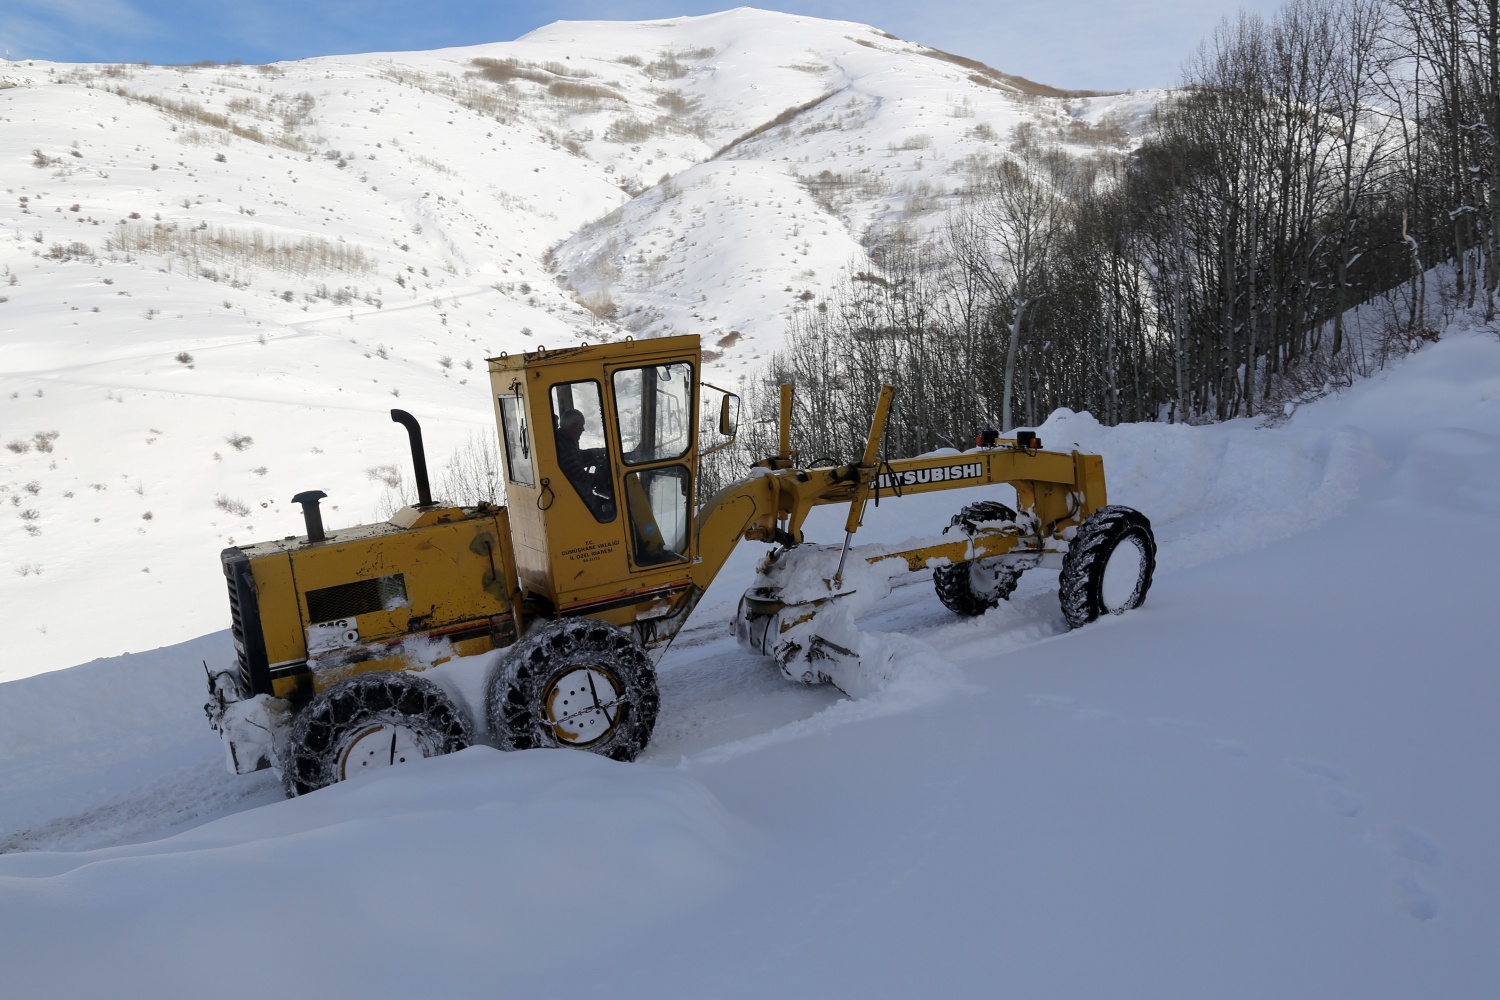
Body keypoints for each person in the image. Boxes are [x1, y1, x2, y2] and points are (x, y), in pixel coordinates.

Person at [555, 408, 615, 520]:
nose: (583, 429)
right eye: (582, 426)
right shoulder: (565, 446)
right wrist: (602, 478)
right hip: (579, 502)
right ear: (575, 427)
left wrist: (596, 452)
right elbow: (579, 476)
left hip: (574, 498)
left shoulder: (562, 440)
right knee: (615, 511)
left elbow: (578, 456)